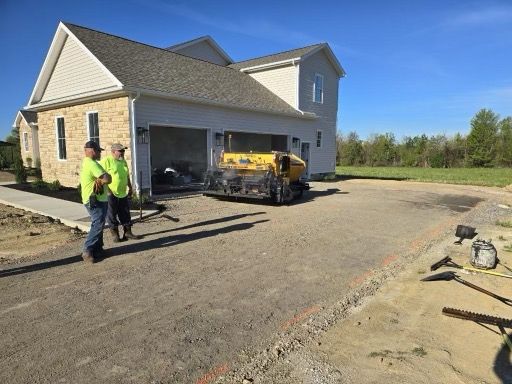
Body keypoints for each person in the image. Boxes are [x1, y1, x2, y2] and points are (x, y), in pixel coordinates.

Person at [100, 143, 140, 242]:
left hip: (123, 192)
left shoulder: (123, 162)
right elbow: (101, 177)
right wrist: (108, 191)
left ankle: (127, 232)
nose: (123, 153)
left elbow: (126, 176)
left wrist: (130, 187)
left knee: (125, 212)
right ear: (113, 151)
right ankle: (115, 234)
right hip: (111, 192)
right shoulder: (106, 161)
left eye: (123, 151)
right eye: (120, 151)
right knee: (112, 214)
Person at [80, 141, 111, 263]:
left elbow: (106, 177)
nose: (100, 153)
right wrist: (102, 180)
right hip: (95, 199)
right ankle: (87, 250)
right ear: (92, 150)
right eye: (98, 150)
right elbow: (107, 178)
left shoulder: (88, 163)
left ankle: (97, 249)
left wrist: (101, 180)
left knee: (100, 223)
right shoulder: (92, 164)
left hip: (97, 198)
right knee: (97, 223)